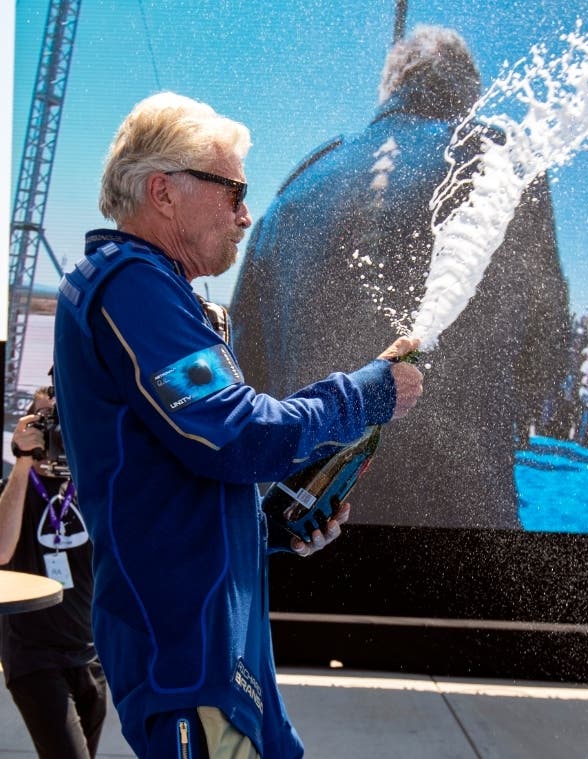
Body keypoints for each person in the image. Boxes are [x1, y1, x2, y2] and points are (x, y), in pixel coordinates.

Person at [52, 92, 423, 759]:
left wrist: (270, 525)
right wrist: (365, 394)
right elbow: (235, 434)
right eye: (233, 192)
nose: (246, 215)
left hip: (217, 663)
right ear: (163, 191)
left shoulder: (145, 289)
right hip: (192, 666)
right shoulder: (131, 284)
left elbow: (184, 468)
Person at [229, 25, 570, 529]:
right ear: (469, 95)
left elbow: (244, 356)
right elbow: (547, 348)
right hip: (456, 521)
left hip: (302, 523)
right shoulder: (499, 166)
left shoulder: (297, 185)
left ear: (388, 88)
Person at [0, 386, 107, 758]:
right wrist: (23, 461)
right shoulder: (14, 488)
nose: (54, 434)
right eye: (44, 422)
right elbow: (1, 550)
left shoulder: (92, 485)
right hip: (34, 656)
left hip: (89, 653)